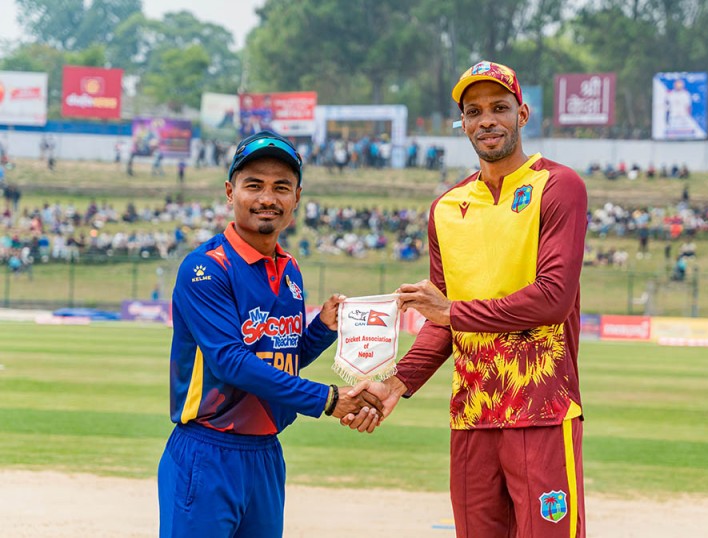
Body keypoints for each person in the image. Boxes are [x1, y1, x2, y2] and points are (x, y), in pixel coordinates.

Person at [344, 61, 588, 537]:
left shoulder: (559, 186)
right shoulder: (446, 208)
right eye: (473, 112)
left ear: (523, 114)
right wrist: (397, 384)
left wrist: (450, 311)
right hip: (472, 415)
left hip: (541, 409)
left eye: (499, 108)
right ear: (463, 123)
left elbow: (553, 299)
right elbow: (443, 322)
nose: (487, 120)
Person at [157, 130, 382, 538]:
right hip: (208, 451)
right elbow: (231, 363)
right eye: (254, 185)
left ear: (297, 198)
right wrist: (328, 399)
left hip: (265, 455)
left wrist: (322, 329)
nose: (267, 198)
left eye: (281, 187)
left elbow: (279, 357)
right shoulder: (205, 268)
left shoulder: (289, 269)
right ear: (230, 192)